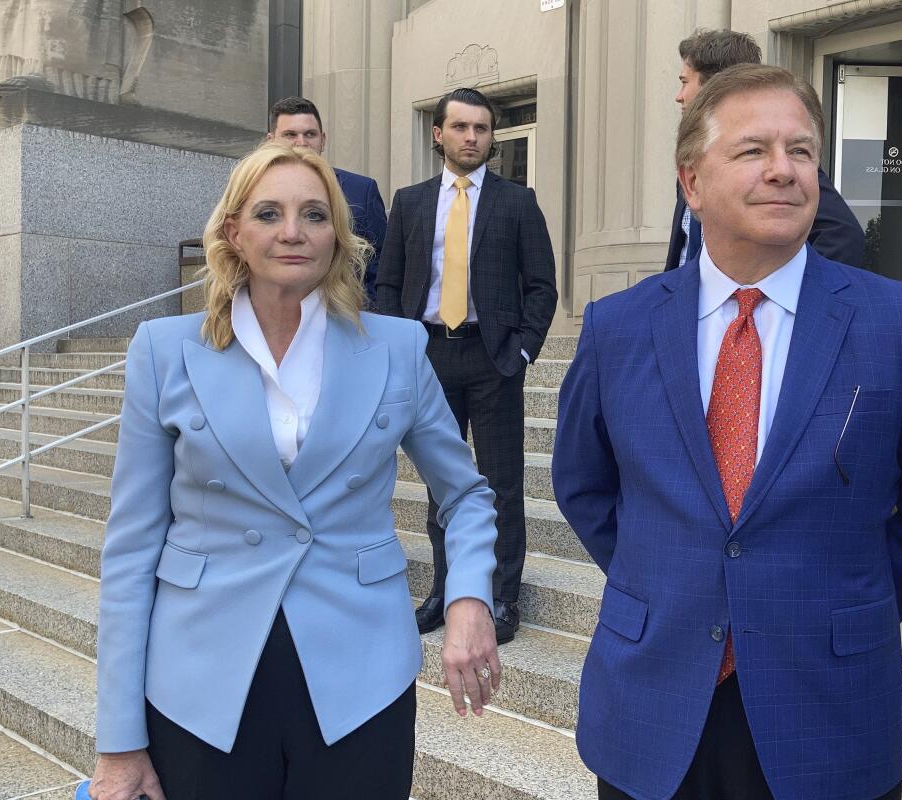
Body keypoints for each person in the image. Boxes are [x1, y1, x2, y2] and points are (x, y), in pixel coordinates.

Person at [553, 65, 902, 800]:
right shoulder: (618, 327)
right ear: (691, 182)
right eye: (753, 150)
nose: (784, 171)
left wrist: (849, 593)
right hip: (652, 706)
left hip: (827, 708)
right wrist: (671, 579)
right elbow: (583, 483)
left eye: (802, 150)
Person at [89, 144, 502, 800]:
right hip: (199, 685)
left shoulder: (396, 349)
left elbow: (467, 495)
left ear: (337, 235)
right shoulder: (165, 353)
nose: (292, 231)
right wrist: (118, 740)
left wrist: (471, 599)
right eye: (268, 212)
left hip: (361, 678)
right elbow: (132, 548)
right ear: (235, 234)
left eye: (314, 214)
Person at [376, 87, 558, 644]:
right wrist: (399, 345)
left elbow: (542, 286)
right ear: (439, 134)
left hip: (493, 357)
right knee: (441, 483)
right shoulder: (409, 202)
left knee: (500, 482)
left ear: (491, 137)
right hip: (428, 355)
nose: (471, 137)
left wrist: (522, 351)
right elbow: (388, 281)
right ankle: (447, 588)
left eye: (481, 129)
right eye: (460, 127)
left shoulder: (516, 202)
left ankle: (502, 597)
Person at [665, 29, 865, 271]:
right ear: (690, 179)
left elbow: (843, 235)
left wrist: (801, 295)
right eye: (752, 151)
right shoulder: (693, 166)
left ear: (715, 83)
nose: (679, 96)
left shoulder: (787, 172)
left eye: (685, 82)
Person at [266, 96, 388, 303]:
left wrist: (370, 312)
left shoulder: (361, 190)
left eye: (310, 134)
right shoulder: (253, 190)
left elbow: (382, 264)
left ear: (323, 139)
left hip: (346, 316)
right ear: (271, 140)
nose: (301, 142)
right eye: (290, 134)